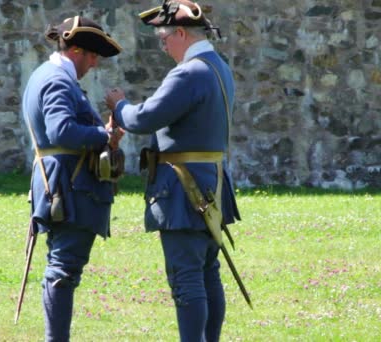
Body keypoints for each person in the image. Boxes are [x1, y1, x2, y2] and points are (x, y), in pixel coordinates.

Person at [105, 1, 241, 341]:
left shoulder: (189, 72)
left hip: (184, 189)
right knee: (207, 272)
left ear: (181, 33)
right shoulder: (218, 66)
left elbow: (144, 118)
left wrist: (119, 106)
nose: (163, 45)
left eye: (165, 38)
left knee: (187, 278)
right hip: (210, 180)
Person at [21, 16, 124, 341]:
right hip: (71, 188)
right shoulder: (56, 80)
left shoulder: (50, 76)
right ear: (76, 50)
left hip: (66, 185)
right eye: (92, 55)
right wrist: (103, 134)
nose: (94, 63)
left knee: (62, 268)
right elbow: (60, 130)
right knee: (63, 271)